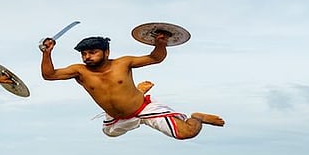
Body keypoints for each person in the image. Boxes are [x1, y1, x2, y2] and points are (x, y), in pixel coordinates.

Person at [39, 32, 224, 139]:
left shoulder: (123, 63)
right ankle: (138, 91)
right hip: (115, 117)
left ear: (106, 52)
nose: (87, 57)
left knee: (187, 133)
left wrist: (161, 43)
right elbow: (49, 75)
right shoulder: (79, 71)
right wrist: (47, 52)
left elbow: (155, 58)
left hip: (142, 108)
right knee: (109, 134)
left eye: (93, 52)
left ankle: (198, 116)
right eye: (84, 54)